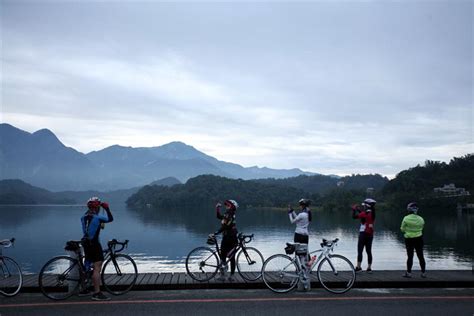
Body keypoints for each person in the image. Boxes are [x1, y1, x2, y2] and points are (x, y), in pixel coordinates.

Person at [80, 197, 114, 301]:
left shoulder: (83, 217)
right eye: (98, 206)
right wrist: (107, 209)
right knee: (97, 267)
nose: (99, 208)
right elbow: (110, 219)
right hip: (94, 244)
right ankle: (97, 293)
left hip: (85, 242)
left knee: (87, 265)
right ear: (97, 207)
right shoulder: (98, 218)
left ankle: (84, 289)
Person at [215, 199, 239, 281]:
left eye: (228, 205)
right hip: (225, 237)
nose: (226, 206)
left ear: (232, 207)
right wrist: (217, 208)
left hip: (232, 238)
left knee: (231, 257)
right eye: (226, 205)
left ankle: (231, 275)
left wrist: (217, 232)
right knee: (223, 256)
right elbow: (219, 217)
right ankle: (223, 275)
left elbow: (225, 226)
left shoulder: (231, 214)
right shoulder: (227, 214)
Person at [401, 202, 426, 278]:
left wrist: (407, 231)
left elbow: (402, 229)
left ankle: (409, 273)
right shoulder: (421, 219)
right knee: (420, 255)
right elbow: (422, 227)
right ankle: (423, 273)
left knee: (410, 256)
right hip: (419, 238)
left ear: (409, 209)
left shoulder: (406, 218)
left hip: (409, 239)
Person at [352, 198, 376, 273]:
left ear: (367, 205)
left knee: (360, 251)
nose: (364, 207)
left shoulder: (364, 213)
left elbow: (354, 217)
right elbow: (363, 214)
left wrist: (354, 210)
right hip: (370, 234)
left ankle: (358, 267)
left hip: (363, 234)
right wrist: (358, 210)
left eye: (364, 205)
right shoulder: (373, 213)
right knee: (369, 251)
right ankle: (369, 268)